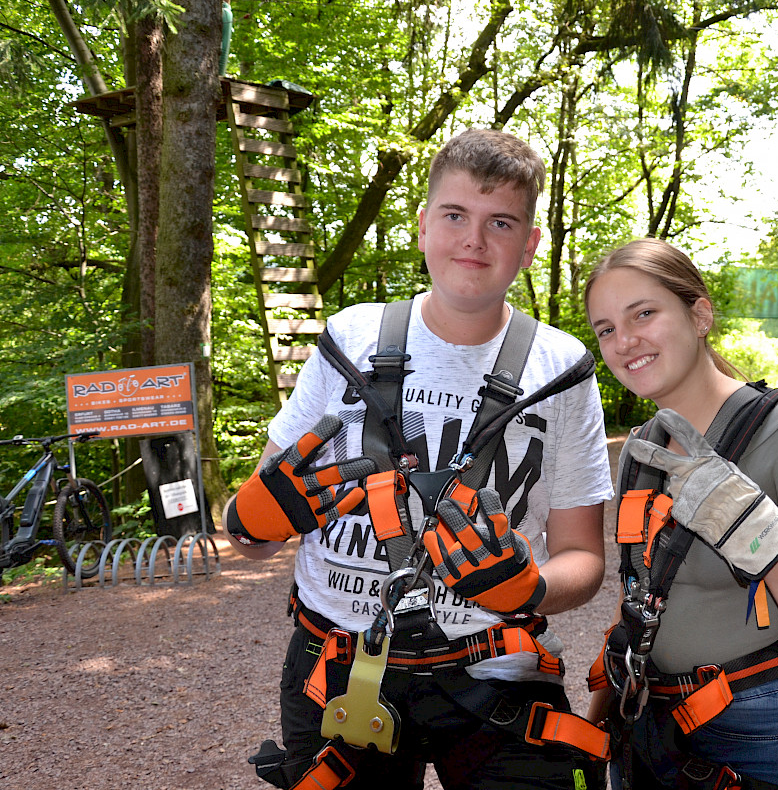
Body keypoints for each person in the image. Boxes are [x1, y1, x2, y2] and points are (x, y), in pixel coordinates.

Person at [223, 128, 613, 790]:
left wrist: (533, 588)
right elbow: (249, 536)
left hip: (498, 675)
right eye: (456, 216)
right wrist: (252, 522)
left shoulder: (562, 369)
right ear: (425, 223)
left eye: (501, 223)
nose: (474, 240)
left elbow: (585, 556)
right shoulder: (348, 338)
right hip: (340, 669)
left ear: (530, 244)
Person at [583, 238, 778, 790]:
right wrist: (593, 729)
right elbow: (638, 601)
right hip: (645, 717)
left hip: (755, 726)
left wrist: (759, 536)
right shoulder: (644, 448)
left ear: (700, 314)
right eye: (605, 329)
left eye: (643, 313)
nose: (624, 342)